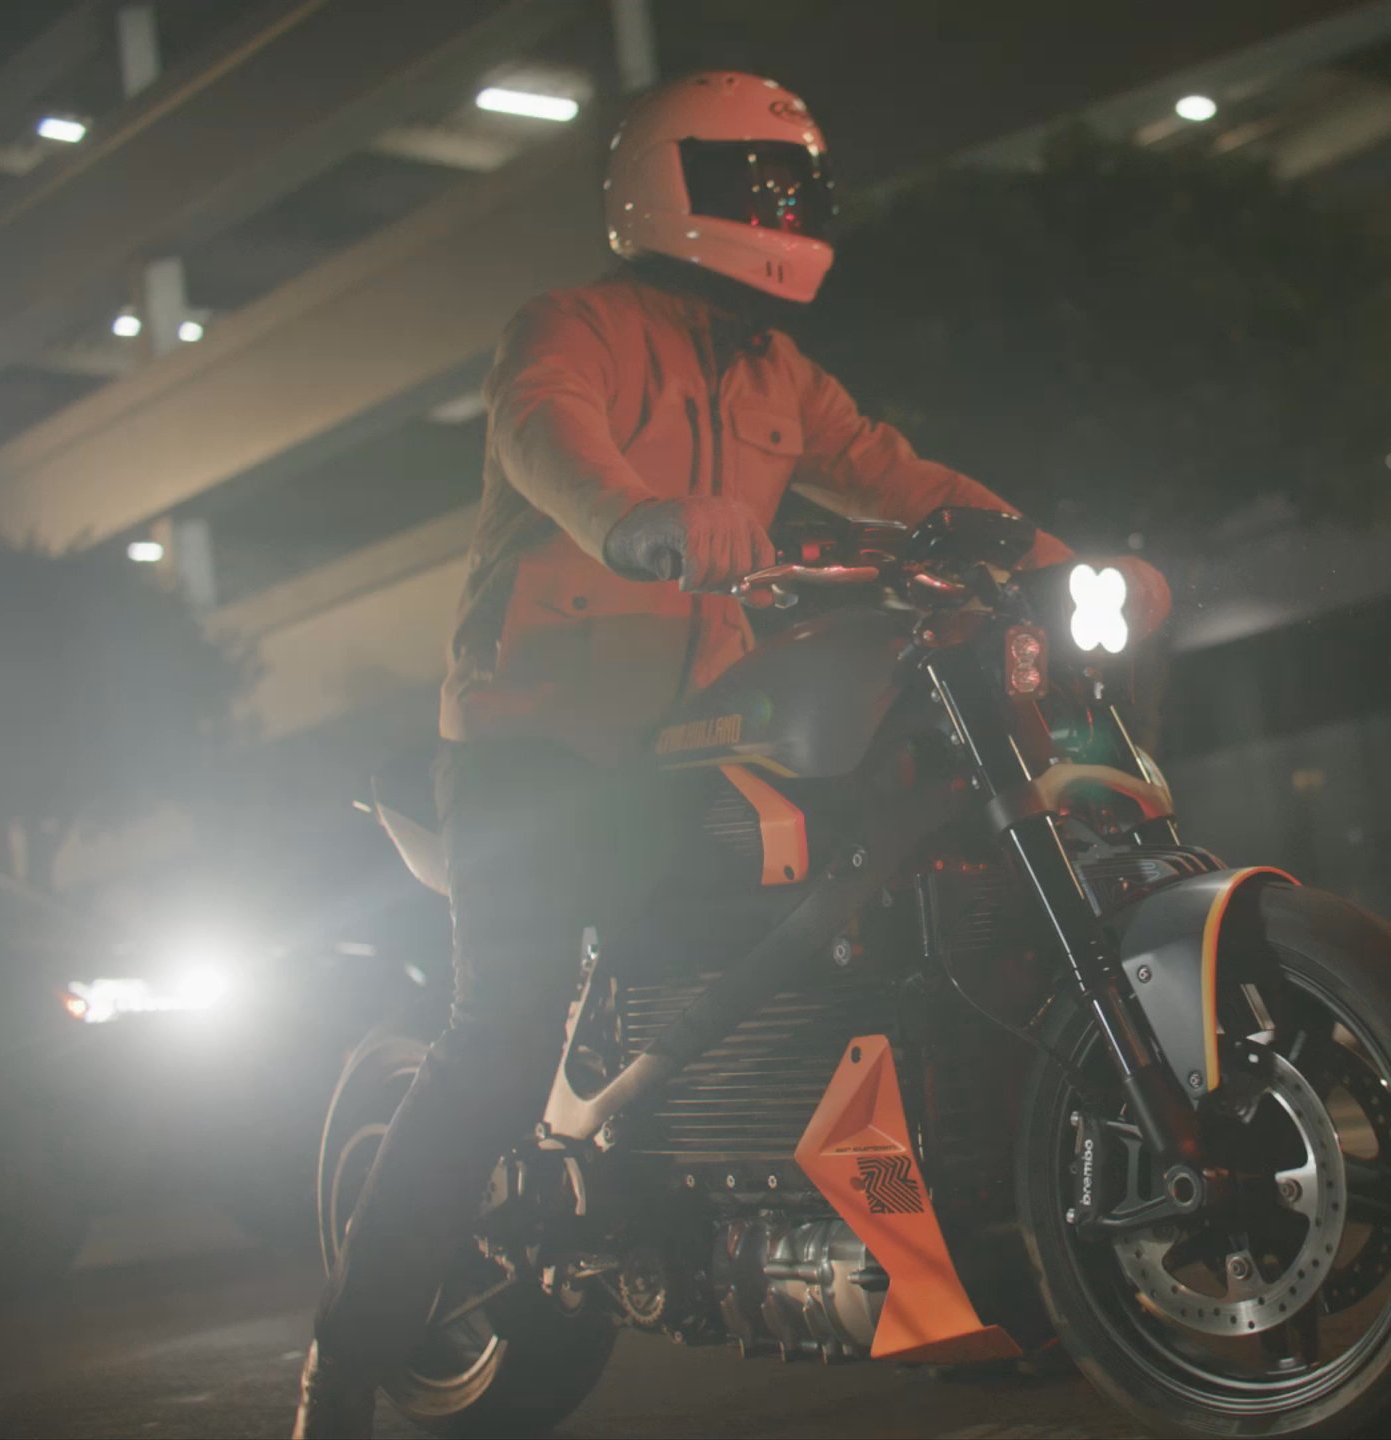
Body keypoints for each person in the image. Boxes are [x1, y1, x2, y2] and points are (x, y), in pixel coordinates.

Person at [293, 71, 1147, 1437]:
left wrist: (1061, 564)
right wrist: (638, 521)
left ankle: (942, 1259)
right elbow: (542, 434)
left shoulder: (776, 374)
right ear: (668, 190)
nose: (788, 212)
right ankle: (343, 1370)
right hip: (534, 748)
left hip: (686, 737)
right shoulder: (570, 326)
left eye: (797, 190)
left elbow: (893, 476)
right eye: (759, 189)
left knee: (882, 902)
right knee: (497, 1036)